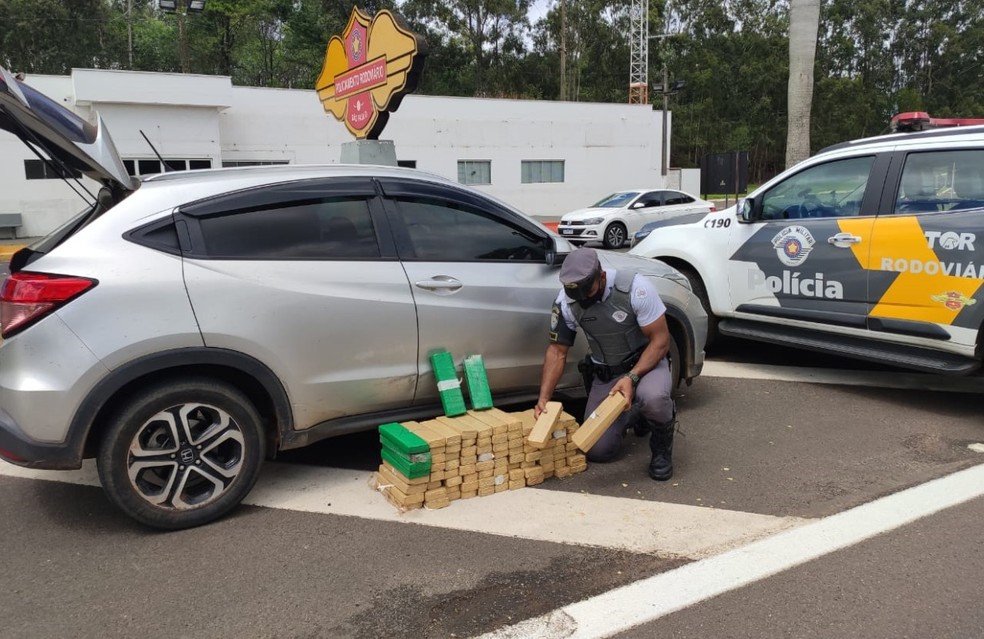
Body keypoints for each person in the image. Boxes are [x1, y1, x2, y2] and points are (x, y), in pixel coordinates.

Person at [533, 247, 677, 480]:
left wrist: (632, 377)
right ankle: (635, 413)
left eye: (587, 292)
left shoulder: (635, 289)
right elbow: (557, 352)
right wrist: (544, 398)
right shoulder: (566, 302)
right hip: (608, 373)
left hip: (645, 365)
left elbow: (661, 342)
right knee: (597, 450)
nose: (584, 300)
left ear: (601, 277)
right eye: (577, 296)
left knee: (654, 398)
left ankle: (661, 445)